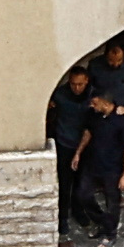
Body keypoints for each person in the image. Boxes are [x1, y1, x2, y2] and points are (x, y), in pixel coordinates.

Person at [75, 91, 124, 247]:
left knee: (112, 202)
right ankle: (101, 222)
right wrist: (78, 153)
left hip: (112, 169)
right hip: (92, 164)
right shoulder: (93, 115)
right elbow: (87, 133)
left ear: (105, 103)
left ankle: (110, 233)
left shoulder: (123, 121)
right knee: (83, 195)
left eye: (95, 103)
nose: (91, 105)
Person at [45, 67, 99, 230]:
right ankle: (62, 217)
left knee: (81, 182)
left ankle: (78, 210)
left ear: (86, 81)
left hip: (85, 146)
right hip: (65, 143)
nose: (76, 88)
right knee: (64, 182)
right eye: (73, 84)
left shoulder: (93, 96)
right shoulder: (61, 95)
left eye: (80, 84)